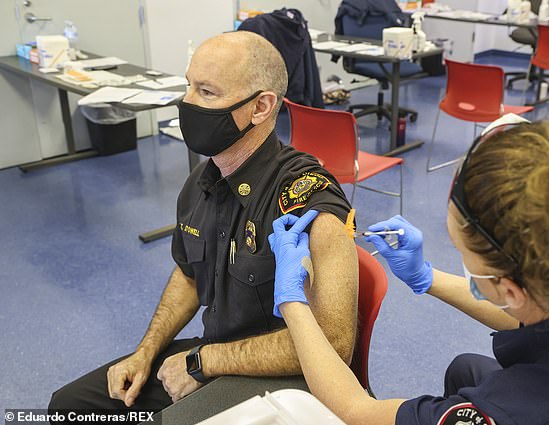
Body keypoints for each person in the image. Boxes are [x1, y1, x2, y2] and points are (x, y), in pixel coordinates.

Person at [48, 31, 358, 419]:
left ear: (260, 107)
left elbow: (334, 344)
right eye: (188, 86)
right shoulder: (203, 180)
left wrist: (203, 362)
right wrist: (146, 352)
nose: (187, 103)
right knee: (68, 407)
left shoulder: (308, 204)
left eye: (207, 93)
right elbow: (189, 276)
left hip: (286, 379)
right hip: (212, 354)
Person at [269, 113, 549, 425]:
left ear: (511, 290)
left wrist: (292, 301)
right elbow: (539, 315)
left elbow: (355, 410)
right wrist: (424, 277)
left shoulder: (510, 410)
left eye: (461, 249)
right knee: (465, 368)